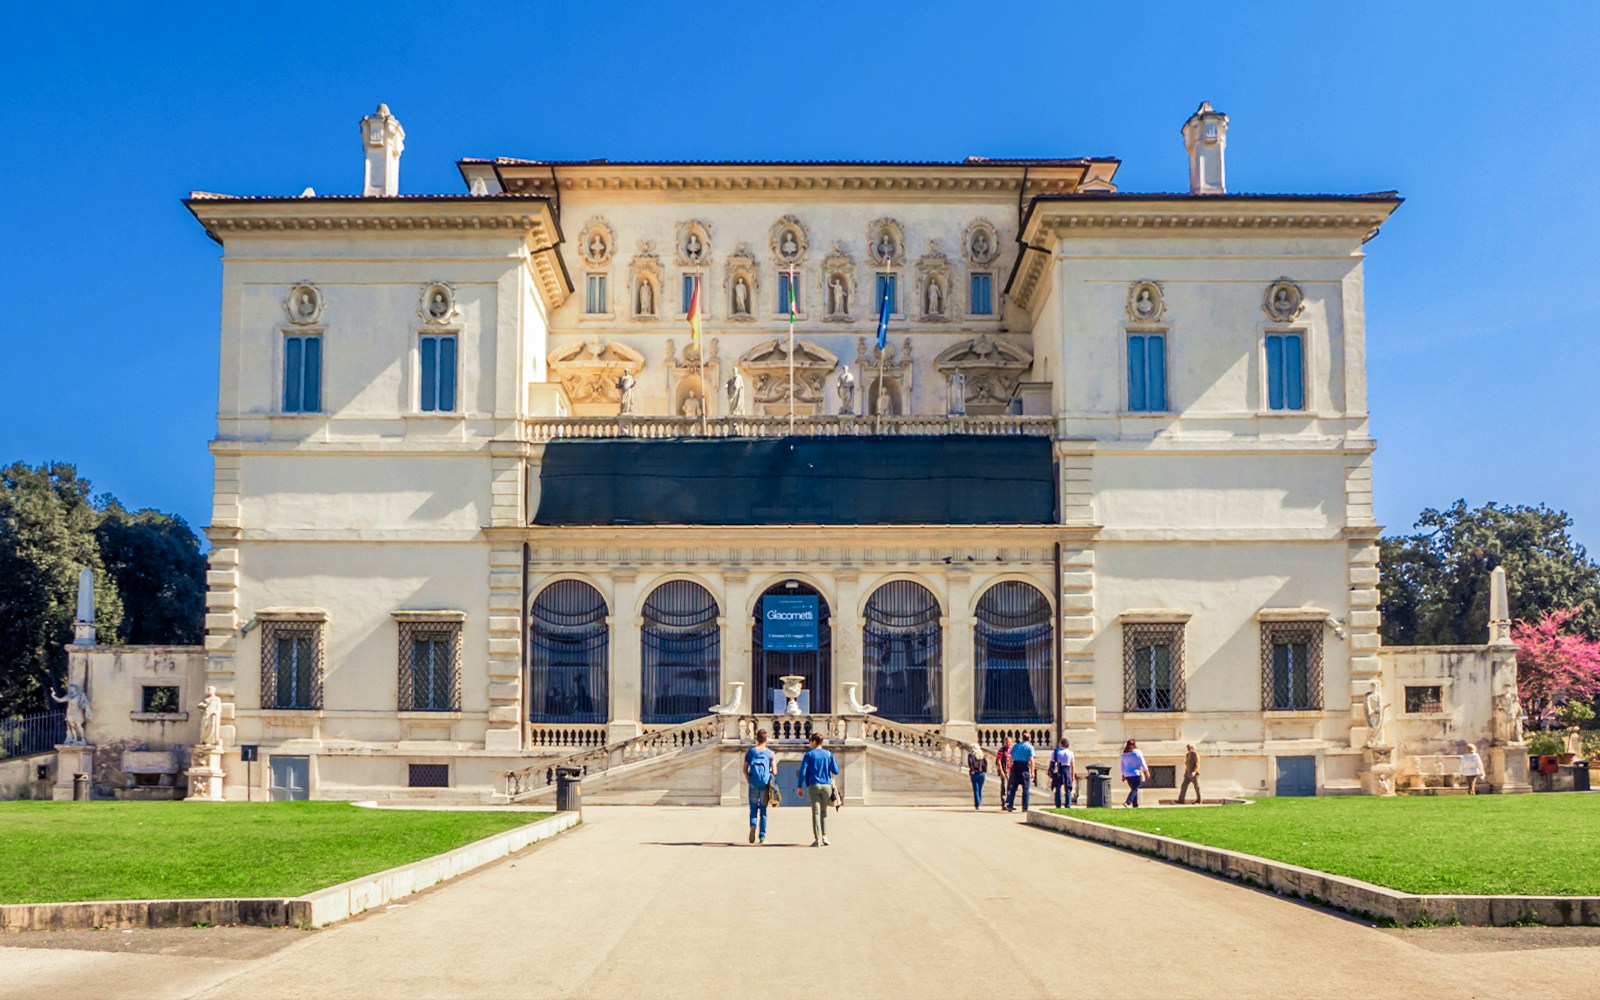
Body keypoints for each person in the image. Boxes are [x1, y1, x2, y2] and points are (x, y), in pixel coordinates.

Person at [796, 732, 839, 846]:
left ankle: (816, 839)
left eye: (810, 741)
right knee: (824, 812)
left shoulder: (809, 754)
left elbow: (803, 772)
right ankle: (825, 837)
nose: (810, 743)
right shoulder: (828, 754)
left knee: (816, 812)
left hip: (814, 785)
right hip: (826, 786)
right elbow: (836, 771)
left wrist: (799, 786)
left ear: (814, 741)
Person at [743, 728, 777, 843]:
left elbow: (744, 769)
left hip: (753, 782)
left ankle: (753, 825)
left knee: (753, 808)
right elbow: (775, 771)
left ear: (756, 739)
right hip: (764, 783)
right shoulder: (770, 753)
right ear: (766, 739)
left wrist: (749, 780)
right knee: (763, 810)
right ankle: (762, 837)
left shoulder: (751, 752)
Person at [1006, 735, 1035, 812]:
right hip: (1024, 768)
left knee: (1013, 788)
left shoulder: (1015, 746)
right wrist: (1032, 772)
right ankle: (1025, 807)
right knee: (1025, 789)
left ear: (1022, 738)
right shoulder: (1030, 747)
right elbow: (1031, 760)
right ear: (1029, 739)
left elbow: (1010, 758)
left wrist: (1010, 768)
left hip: (1015, 767)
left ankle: (1010, 805)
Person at [1120, 738, 1151, 808]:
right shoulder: (1137, 752)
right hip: (1135, 773)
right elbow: (1142, 761)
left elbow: (1122, 765)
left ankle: (1135, 805)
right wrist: (1146, 771)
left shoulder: (1124, 754)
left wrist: (1123, 775)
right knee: (1135, 789)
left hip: (1127, 774)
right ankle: (1128, 802)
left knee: (1133, 789)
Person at [1049, 737, 1075, 809]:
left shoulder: (1055, 752)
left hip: (1058, 771)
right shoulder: (1070, 753)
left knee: (1058, 789)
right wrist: (1072, 775)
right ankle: (1068, 804)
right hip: (1067, 770)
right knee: (1067, 789)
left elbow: (1052, 762)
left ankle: (1058, 804)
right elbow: (1073, 765)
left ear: (1060, 744)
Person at [966, 743, 988, 810]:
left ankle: (978, 804)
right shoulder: (982, 755)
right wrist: (984, 770)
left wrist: (972, 770)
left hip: (974, 773)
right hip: (982, 774)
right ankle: (978, 803)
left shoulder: (971, 755)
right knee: (980, 789)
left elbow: (970, 763)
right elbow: (985, 763)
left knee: (976, 789)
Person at [995, 737, 1012, 810]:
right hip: (1004, 771)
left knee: (1010, 788)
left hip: (1011, 771)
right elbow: (998, 761)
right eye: (1007, 742)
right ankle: (1004, 803)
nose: (1008, 743)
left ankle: (1009, 803)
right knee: (1004, 787)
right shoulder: (1001, 750)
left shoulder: (1012, 750)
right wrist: (1001, 771)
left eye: (1009, 742)